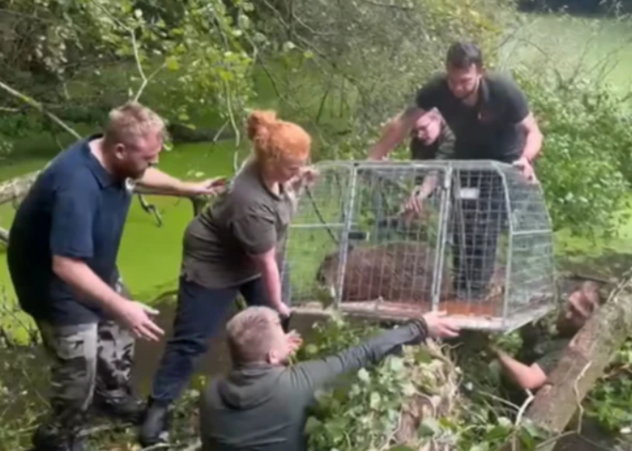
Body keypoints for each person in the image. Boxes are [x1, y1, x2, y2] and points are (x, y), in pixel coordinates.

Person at [6, 101, 224, 451]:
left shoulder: (118, 160)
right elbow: (66, 265)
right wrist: (120, 306)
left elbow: (141, 173)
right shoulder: (76, 185)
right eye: (148, 156)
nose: (154, 162)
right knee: (79, 369)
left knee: (119, 337)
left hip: (94, 265)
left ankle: (111, 399)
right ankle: (61, 436)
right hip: (53, 283)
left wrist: (185, 187)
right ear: (120, 149)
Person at [139, 110, 319, 447]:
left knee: (276, 327)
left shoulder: (273, 170)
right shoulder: (248, 199)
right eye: (294, 166)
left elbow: (274, 227)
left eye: (303, 163)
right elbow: (266, 265)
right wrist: (276, 304)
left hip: (255, 252)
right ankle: (158, 407)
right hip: (215, 262)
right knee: (192, 338)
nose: (301, 169)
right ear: (271, 162)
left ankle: (277, 387)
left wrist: (297, 181)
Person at [373, 41, 544, 300]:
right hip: (467, 159)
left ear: (480, 73)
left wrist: (526, 159)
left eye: (464, 81)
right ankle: (461, 286)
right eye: (452, 80)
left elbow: (533, 131)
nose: (457, 88)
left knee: (485, 222)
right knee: (463, 218)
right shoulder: (437, 89)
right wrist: (376, 155)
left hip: (505, 161)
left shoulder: (503, 90)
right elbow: (404, 121)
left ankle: (476, 290)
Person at [199, 307, 461, 451]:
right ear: (272, 355)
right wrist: (420, 327)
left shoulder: (210, 393)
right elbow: (361, 354)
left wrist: (276, 353)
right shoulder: (297, 385)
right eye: (281, 333)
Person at [492, 281, 602, 398]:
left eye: (577, 315)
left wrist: (494, 351)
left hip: (511, 404)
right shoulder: (555, 326)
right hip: (503, 385)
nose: (568, 315)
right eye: (570, 306)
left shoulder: (569, 348)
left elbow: (529, 379)